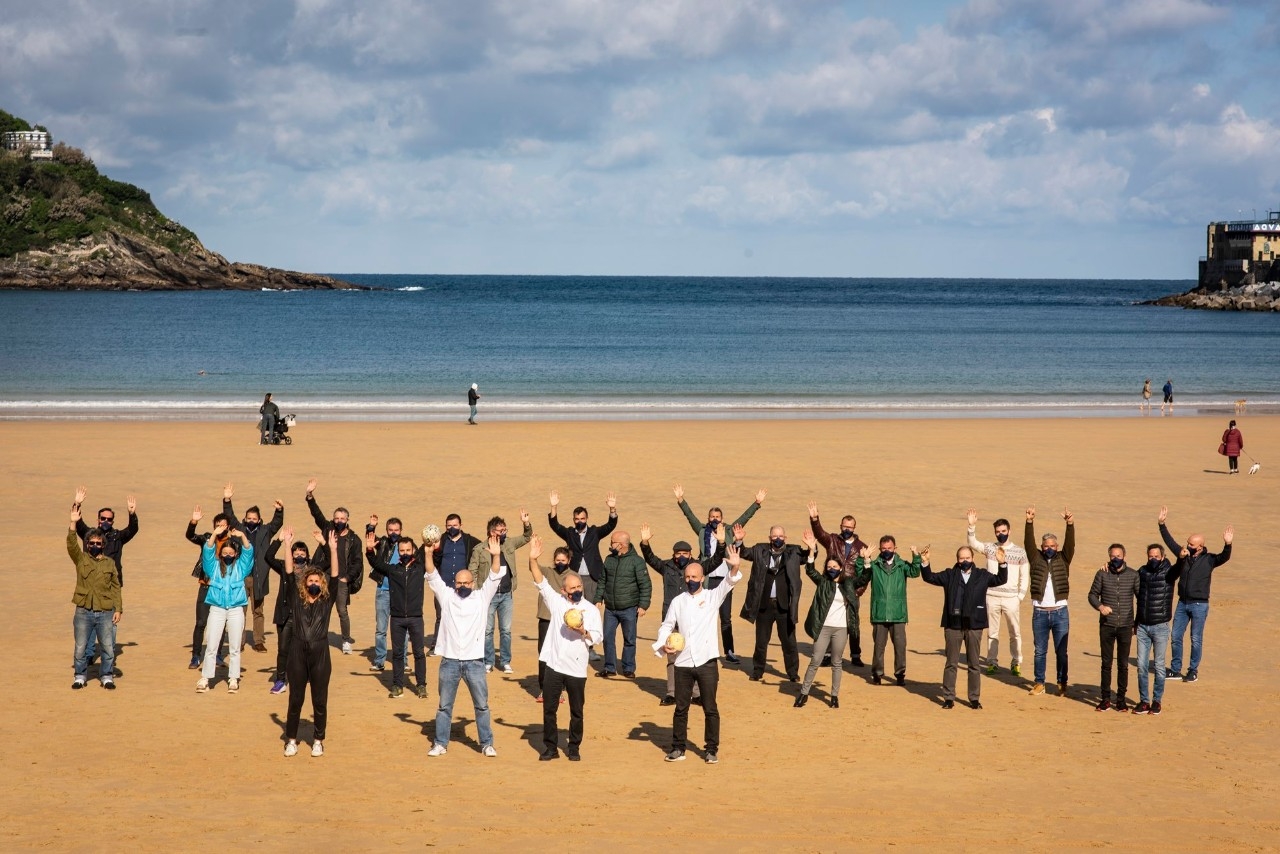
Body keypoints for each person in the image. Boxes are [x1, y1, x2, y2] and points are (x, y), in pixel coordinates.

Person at [653, 543, 744, 763]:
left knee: (710, 707)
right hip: (683, 662)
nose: (691, 580)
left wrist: (733, 567)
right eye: (687, 577)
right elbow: (667, 625)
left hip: (707, 662)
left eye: (695, 576)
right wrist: (662, 644)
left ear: (702, 578)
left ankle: (711, 749)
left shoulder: (712, 597)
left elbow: (729, 582)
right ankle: (678, 748)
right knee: (680, 708)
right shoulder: (678, 601)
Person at [426, 535, 508, 757]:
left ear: (473, 583)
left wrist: (496, 554)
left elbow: (494, 576)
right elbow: (432, 574)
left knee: (482, 706)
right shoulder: (446, 596)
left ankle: (486, 743)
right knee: (444, 706)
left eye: (466, 583)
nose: (462, 586)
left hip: (474, 662)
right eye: (459, 582)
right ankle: (441, 743)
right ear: (454, 583)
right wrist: (427, 552)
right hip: (450, 661)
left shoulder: (482, 597)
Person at [527, 536, 603, 761]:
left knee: (576, 711)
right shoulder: (557, 602)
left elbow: (596, 638)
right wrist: (533, 559)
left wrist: (582, 631)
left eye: (579, 586)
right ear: (564, 590)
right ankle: (550, 747)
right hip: (554, 665)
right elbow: (540, 580)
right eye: (573, 588)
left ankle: (574, 747)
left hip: (577, 669)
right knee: (549, 709)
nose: (577, 590)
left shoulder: (590, 610)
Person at [674, 484, 764, 665]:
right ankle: (699, 648)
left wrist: (756, 503)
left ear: (722, 518)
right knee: (703, 614)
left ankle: (729, 651)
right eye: (712, 517)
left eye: (718, 517)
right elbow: (689, 516)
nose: (715, 519)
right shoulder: (701, 530)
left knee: (725, 617)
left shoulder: (729, 531)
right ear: (708, 518)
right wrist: (681, 500)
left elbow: (744, 518)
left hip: (724, 579)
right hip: (705, 578)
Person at [640, 522, 725, 705]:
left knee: (694, 656)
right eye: (677, 553)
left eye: (684, 553)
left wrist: (721, 544)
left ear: (690, 554)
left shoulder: (698, 567)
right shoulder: (667, 567)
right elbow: (651, 559)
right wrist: (645, 543)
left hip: (693, 618)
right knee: (672, 656)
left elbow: (716, 561)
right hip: (672, 618)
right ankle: (672, 692)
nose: (681, 556)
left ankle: (695, 694)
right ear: (673, 555)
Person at [921, 545, 1009, 709]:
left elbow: (1000, 580)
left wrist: (1002, 563)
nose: (965, 561)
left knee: (974, 663)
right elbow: (930, 578)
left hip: (974, 625)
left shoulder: (982, 575)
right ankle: (948, 697)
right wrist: (925, 563)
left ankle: (974, 698)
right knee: (951, 663)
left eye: (967, 558)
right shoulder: (950, 575)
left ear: (973, 559)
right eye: (962, 558)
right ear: (957, 560)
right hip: (953, 625)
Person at [282, 528, 340, 757]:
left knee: (320, 699)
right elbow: (288, 573)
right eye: (310, 580)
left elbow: (335, 576)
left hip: (320, 653)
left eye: (317, 580)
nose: (314, 583)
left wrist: (333, 549)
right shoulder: (296, 599)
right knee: (296, 698)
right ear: (305, 583)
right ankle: (292, 740)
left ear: (321, 584)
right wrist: (287, 545)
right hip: (297, 651)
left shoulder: (326, 601)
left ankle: (318, 740)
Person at [1158, 505, 1233, 683]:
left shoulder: (1209, 560)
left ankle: (1193, 670)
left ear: (1200, 547)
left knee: (1195, 638)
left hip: (1200, 604)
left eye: (1191, 544)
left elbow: (1224, 557)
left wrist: (1228, 544)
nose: (1188, 546)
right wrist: (1161, 524)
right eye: (1188, 543)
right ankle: (1175, 669)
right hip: (1182, 602)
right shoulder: (1183, 555)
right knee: (1175, 635)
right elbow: (1170, 542)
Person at [72, 486, 136, 676]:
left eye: (109, 519)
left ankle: (108, 655)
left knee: (109, 623)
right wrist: (77, 503)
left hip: (111, 584)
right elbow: (77, 522)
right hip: (90, 586)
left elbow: (133, 530)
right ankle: (90, 654)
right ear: (98, 519)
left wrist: (132, 514)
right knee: (89, 619)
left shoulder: (118, 536)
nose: (106, 521)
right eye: (103, 519)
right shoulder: (89, 535)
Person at [795, 531, 860, 708]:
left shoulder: (848, 584)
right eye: (828, 567)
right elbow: (810, 570)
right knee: (815, 659)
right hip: (823, 627)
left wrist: (866, 561)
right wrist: (811, 551)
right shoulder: (823, 582)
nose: (831, 569)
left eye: (834, 566)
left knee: (836, 662)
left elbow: (864, 578)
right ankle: (804, 693)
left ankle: (834, 696)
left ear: (841, 568)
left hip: (841, 628)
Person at [737, 525, 808, 682]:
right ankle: (757, 670)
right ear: (769, 538)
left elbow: (807, 557)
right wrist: (739, 540)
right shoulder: (759, 550)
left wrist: (812, 547)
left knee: (789, 642)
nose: (777, 539)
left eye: (781, 536)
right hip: (764, 605)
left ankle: (792, 673)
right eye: (774, 536)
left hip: (785, 606)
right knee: (761, 641)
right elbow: (744, 552)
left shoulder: (793, 552)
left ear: (785, 538)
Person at [366, 528, 428, 699]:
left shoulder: (420, 568)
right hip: (398, 618)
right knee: (398, 654)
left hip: (416, 617)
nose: (405, 553)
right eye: (402, 550)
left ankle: (421, 685)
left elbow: (434, 560)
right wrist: (370, 550)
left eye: (408, 550)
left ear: (413, 550)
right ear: (398, 552)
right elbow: (377, 564)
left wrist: (431, 549)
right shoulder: (393, 570)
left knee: (419, 653)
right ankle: (398, 685)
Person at [966, 509, 1030, 677]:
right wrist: (971, 526)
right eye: (997, 532)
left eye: (1003, 531)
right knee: (992, 632)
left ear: (1009, 531)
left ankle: (1016, 662)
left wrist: (1020, 597)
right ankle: (992, 662)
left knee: (1014, 631)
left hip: (1011, 598)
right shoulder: (989, 548)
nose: (1000, 534)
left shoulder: (1019, 552)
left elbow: (1025, 575)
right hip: (992, 596)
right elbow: (973, 544)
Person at [195, 517, 254, 693]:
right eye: (225, 553)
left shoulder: (241, 568)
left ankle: (233, 678)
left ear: (235, 554)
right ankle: (205, 678)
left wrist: (242, 535)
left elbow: (249, 551)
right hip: (217, 609)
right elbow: (207, 550)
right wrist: (215, 533)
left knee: (235, 646)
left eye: (231, 553)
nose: (228, 555)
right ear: (221, 554)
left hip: (236, 609)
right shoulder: (212, 567)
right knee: (211, 644)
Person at [468, 511, 533, 673]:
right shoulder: (480, 549)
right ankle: (488, 661)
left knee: (506, 630)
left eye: (505, 530)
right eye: (501, 530)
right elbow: (472, 571)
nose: (505, 533)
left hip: (506, 595)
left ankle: (505, 661)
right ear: (491, 532)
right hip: (488, 597)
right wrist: (476, 592)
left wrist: (526, 523)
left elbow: (527, 537)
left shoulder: (509, 544)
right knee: (488, 630)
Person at [222, 483, 283, 653]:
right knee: (240, 611)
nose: (251, 521)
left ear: (259, 520)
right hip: (241, 577)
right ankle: (239, 641)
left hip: (259, 577)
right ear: (245, 519)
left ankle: (258, 641)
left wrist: (279, 511)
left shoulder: (265, 531)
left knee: (258, 611)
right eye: (248, 518)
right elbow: (230, 516)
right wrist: (227, 499)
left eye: (254, 518)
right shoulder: (239, 529)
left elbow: (276, 524)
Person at [807, 501, 869, 667]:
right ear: (841, 526)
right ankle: (827, 654)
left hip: (851, 589)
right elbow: (820, 534)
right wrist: (814, 519)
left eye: (850, 527)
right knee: (829, 617)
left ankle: (855, 654)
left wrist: (858, 592)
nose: (847, 529)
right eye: (844, 526)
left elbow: (865, 575)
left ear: (854, 528)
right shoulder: (833, 540)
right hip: (832, 586)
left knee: (853, 622)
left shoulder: (862, 547)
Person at [305, 478, 364, 654]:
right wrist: (309, 495)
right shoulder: (328, 529)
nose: (338, 521)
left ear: (347, 520)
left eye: (342, 518)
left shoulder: (354, 539)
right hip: (324, 576)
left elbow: (358, 561)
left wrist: (348, 577)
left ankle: (346, 641)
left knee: (341, 610)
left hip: (341, 579)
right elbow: (316, 514)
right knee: (319, 608)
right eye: (336, 518)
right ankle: (315, 636)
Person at [67, 504, 122, 689]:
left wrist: (119, 609)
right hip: (83, 610)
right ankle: (80, 676)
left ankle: (106, 675)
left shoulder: (109, 563)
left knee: (107, 646)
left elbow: (115, 586)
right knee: (81, 647)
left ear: (103, 545)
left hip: (105, 611)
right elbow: (71, 545)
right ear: (88, 544)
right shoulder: (81, 559)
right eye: (92, 543)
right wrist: (73, 523)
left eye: (98, 543)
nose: (95, 546)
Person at [855, 536, 923, 686]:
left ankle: (900, 674)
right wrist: (862, 559)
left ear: (895, 548)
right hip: (879, 613)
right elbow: (861, 575)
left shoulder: (901, 565)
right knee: (879, 646)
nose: (886, 551)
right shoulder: (874, 565)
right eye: (884, 549)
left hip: (898, 614)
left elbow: (914, 572)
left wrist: (916, 556)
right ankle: (877, 674)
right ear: (880, 549)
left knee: (900, 646)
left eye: (889, 548)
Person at [1025, 506, 1075, 697]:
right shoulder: (1035, 558)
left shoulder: (1064, 558)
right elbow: (1028, 542)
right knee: (1040, 650)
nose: (1049, 548)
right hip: (1040, 612)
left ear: (1057, 546)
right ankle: (1039, 682)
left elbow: (1071, 544)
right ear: (1042, 546)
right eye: (1046, 545)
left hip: (1060, 611)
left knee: (1061, 651)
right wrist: (1029, 522)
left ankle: (1062, 682)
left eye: (1052, 545)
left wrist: (1069, 524)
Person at [1087, 544, 1140, 712]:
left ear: (1124, 556)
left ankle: (1121, 699)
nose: (1115, 559)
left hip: (1125, 625)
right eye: (1112, 556)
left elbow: (1141, 598)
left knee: (1123, 664)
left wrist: (1136, 623)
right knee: (1106, 663)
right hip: (1107, 625)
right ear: (1109, 557)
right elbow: (1092, 595)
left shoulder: (1133, 575)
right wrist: (1100, 607)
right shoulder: (1102, 573)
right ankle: (1105, 699)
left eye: (1118, 555)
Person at [592, 529, 652, 679]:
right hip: (611, 608)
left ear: (621, 545)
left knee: (630, 639)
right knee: (607, 637)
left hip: (629, 608)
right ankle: (610, 667)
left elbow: (645, 584)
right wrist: (598, 598)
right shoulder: (609, 559)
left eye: (612, 542)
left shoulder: (637, 561)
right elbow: (602, 581)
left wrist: (643, 605)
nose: (610, 544)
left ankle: (628, 668)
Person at [547, 491, 618, 609]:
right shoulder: (569, 533)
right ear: (573, 520)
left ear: (587, 518)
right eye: (577, 519)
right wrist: (554, 507)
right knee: (573, 608)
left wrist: (612, 509)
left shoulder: (595, 532)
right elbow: (555, 525)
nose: (580, 521)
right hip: (575, 576)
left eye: (582, 518)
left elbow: (610, 525)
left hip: (592, 577)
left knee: (592, 608)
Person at [1133, 544, 1180, 715]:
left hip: (1160, 626)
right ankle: (1144, 701)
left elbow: (1180, 566)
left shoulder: (1169, 572)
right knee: (1141, 665)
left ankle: (1157, 701)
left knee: (1159, 666)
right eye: (1150, 556)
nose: (1153, 559)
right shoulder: (1142, 572)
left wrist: (1181, 556)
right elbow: (1139, 598)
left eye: (1156, 556)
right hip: (1143, 626)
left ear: (1162, 556)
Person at [184, 506, 230, 670]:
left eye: (223, 525)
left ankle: (217, 655)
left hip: (222, 588)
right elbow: (190, 536)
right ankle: (196, 656)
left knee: (221, 622)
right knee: (201, 622)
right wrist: (194, 522)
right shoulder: (206, 538)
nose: (220, 528)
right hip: (206, 586)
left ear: (228, 527)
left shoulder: (233, 543)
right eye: (217, 525)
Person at [264, 534, 310, 694]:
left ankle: (304, 675)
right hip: (286, 615)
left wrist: (324, 543)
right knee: (283, 649)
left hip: (304, 616)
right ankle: (281, 680)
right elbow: (268, 557)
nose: (299, 555)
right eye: (296, 552)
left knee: (305, 648)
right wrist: (279, 540)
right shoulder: (284, 567)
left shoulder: (312, 570)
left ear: (307, 555)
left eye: (302, 552)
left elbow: (326, 562)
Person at [366, 515, 412, 673]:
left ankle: (404, 661)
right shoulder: (384, 543)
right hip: (383, 591)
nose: (394, 533)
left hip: (401, 592)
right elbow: (370, 539)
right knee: (381, 629)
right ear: (387, 531)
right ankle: (379, 661)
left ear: (401, 530)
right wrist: (371, 527)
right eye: (391, 530)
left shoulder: (407, 546)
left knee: (403, 630)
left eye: (396, 530)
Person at [430, 514, 480, 652]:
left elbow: (483, 550)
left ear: (461, 525)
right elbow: (431, 558)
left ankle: (465, 644)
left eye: (455, 525)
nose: (452, 528)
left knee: (465, 615)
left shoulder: (469, 541)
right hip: (444, 586)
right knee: (441, 616)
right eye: (449, 526)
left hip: (462, 586)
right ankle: (436, 646)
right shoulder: (441, 541)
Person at [532, 544, 574, 700]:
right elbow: (534, 569)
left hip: (564, 621)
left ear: (569, 560)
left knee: (562, 653)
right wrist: (533, 557)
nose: (560, 563)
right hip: (546, 618)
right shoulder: (548, 572)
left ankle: (560, 689)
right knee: (544, 654)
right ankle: (543, 688)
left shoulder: (573, 576)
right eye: (557, 560)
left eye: (563, 560)